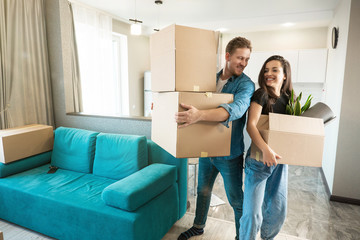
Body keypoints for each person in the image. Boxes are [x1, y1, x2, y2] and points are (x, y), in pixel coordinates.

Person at [175, 36, 255, 240]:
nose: (243, 63)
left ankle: (241, 237)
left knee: (236, 200)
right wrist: (163, 105)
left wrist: (199, 115)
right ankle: (199, 226)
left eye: (246, 59)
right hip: (206, 148)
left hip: (229, 153)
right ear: (227, 56)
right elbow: (186, 97)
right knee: (202, 191)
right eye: (240, 58)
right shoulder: (208, 78)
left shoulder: (246, 85)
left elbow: (234, 111)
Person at [239, 55, 293, 240]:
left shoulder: (289, 98)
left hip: (279, 161)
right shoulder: (261, 94)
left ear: (285, 75)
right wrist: (266, 150)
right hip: (258, 160)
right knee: (252, 214)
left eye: (275, 70)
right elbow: (251, 126)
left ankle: (267, 237)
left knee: (277, 209)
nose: (269, 73)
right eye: (266, 70)